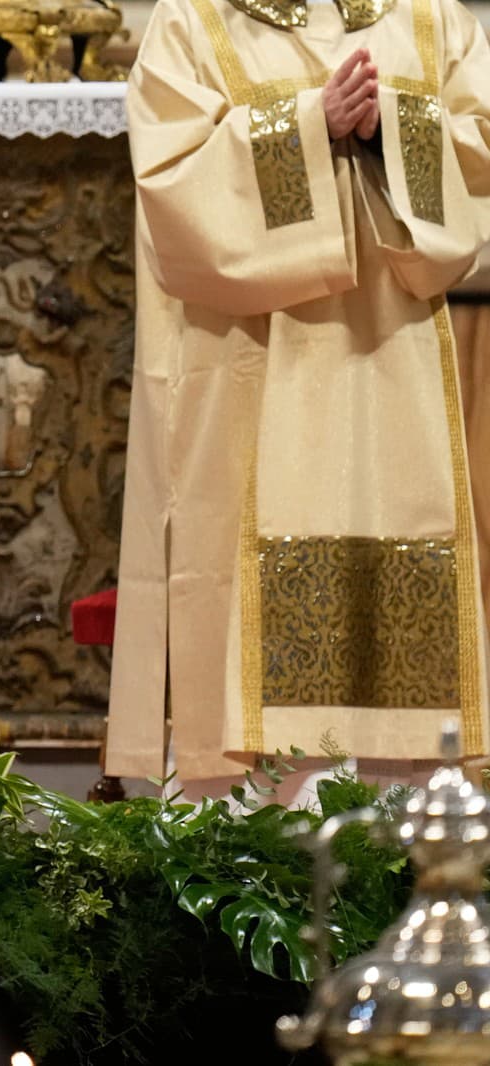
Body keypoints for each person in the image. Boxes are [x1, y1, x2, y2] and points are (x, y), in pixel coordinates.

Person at [106, 0, 490, 785]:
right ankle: (247, 846)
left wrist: (391, 126)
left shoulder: (428, 18)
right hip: (248, 365)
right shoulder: (194, 20)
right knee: (234, 568)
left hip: (392, 366)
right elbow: (172, 186)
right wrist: (309, 125)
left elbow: (479, 156)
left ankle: (396, 839)